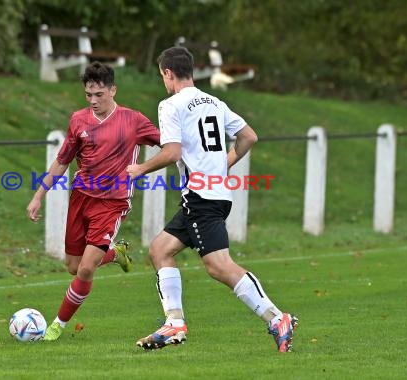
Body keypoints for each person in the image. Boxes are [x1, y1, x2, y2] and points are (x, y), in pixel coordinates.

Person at [126, 47, 298, 352]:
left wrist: (140, 169)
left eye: (162, 75)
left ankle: (276, 318)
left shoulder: (170, 105)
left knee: (219, 266)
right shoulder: (215, 102)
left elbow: (172, 152)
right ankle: (174, 322)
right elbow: (249, 137)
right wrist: (224, 164)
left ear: (167, 73)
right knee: (160, 250)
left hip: (200, 197)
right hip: (214, 194)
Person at [27, 62, 160, 341]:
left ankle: (56, 327)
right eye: (88, 94)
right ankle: (116, 253)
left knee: (86, 269)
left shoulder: (133, 120)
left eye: (99, 94)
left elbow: (169, 145)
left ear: (113, 90)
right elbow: (62, 161)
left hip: (113, 202)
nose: (93, 101)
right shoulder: (79, 120)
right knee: (73, 267)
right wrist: (39, 195)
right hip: (81, 199)